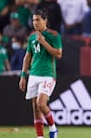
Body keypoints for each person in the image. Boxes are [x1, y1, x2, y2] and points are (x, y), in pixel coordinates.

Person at [18, 9, 62, 138]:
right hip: (34, 74)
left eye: (37, 20)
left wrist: (43, 42)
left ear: (45, 21)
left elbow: (58, 54)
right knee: (35, 108)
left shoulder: (54, 35)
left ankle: (53, 128)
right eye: (33, 20)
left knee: (41, 103)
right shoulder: (32, 37)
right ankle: (40, 136)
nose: (35, 23)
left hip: (48, 74)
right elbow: (27, 57)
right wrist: (23, 76)